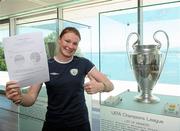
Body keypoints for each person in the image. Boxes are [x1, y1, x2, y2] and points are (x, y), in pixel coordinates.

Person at [5, 27, 114, 131]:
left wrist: (100, 86)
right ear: (59, 41)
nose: (70, 46)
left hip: (79, 123)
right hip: (54, 124)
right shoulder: (45, 65)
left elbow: (110, 85)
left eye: (75, 43)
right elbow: (31, 98)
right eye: (67, 41)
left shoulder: (83, 63)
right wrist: (19, 98)